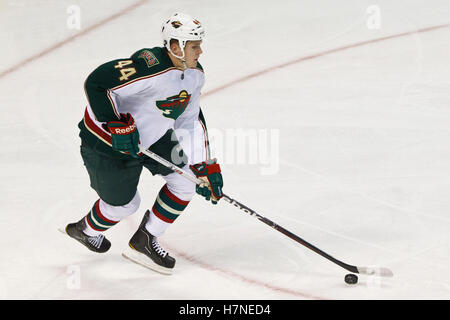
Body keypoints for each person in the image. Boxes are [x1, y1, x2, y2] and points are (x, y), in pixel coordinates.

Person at [62, 12, 224, 275]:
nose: (200, 51)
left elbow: (189, 122)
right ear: (175, 47)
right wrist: (114, 123)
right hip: (106, 145)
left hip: (154, 138)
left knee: (187, 181)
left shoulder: (194, 75)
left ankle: (145, 240)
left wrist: (203, 165)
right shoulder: (148, 68)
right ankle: (85, 230)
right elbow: (98, 83)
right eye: (195, 46)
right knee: (125, 205)